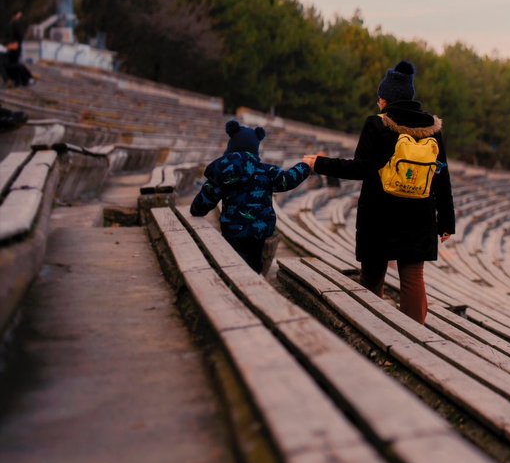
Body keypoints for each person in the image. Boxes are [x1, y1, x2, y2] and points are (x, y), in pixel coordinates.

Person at [305, 60, 455, 324]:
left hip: (380, 214)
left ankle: (372, 327)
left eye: (379, 99)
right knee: (413, 278)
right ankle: (415, 336)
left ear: (386, 100)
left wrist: (319, 163)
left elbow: (360, 169)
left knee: (373, 275)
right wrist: (446, 222)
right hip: (419, 216)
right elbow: (441, 177)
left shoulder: (377, 124)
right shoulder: (433, 129)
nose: (378, 104)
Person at [190, 120, 311, 273]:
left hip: (232, 231)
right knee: (254, 265)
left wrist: (196, 210)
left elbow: (206, 198)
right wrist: (305, 166)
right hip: (259, 233)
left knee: (233, 264)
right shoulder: (267, 171)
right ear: (255, 148)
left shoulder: (223, 171)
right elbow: (287, 180)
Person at [4, 10, 32, 87]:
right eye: (19, 14)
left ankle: (21, 80)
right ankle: (25, 79)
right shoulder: (16, 23)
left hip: (12, 46)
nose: (20, 16)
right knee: (17, 64)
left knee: (13, 64)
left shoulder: (10, 23)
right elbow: (20, 36)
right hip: (16, 46)